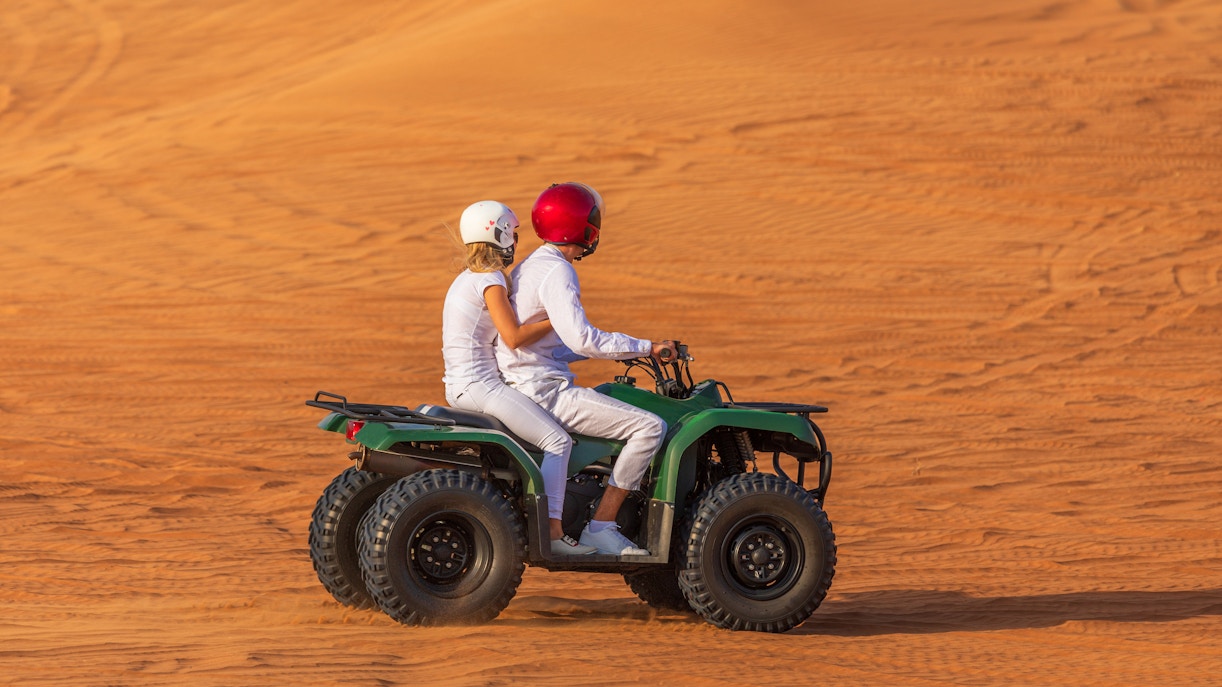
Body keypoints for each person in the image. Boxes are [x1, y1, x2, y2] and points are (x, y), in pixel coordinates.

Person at [497, 183, 676, 556]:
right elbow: (583, 340)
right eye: (592, 218)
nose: (596, 225)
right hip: (545, 391)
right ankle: (603, 525)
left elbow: (554, 346)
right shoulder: (558, 272)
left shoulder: (533, 264)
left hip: (524, 381)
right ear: (579, 227)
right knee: (649, 427)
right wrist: (646, 346)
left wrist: (625, 353)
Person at [442, 200, 598, 556]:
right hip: (480, 386)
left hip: (464, 385)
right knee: (558, 442)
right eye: (512, 233)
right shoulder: (490, 279)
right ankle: (554, 536)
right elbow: (512, 336)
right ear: (497, 234)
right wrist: (560, 321)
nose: (515, 239)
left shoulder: (467, 277)